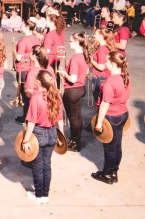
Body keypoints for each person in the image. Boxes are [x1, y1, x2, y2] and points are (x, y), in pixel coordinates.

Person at [21, 70, 64, 204]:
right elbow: (60, 118)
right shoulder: (56, 96)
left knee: (37, 166)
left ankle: (38, 195)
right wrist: (61, 136)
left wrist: (25, 140)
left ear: (38, 82)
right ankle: (45, 195)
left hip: (38, 134)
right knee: (47, 164)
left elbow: (31, 122)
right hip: (52, 133)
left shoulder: (36, 98)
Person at [91, 52, 131, 185]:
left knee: (109, 147)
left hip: (111, 116)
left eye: (107, 61)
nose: (105, 63)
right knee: (117, 145)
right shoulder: (125, 77)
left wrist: (99, 123)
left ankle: (107, 174)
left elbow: (105, 103)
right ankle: (114, 171)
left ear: (113, 64)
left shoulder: (109, 83)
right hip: (123, 114)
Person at [58, 32, 89, 151]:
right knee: (78, 116)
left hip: (72, 91)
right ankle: (77, 139)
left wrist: (64, 73)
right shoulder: (84, 55)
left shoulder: (75, 59)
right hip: (81, 88)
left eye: (71, 41)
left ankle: (75, 142)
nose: (69, 43)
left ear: (76, 43)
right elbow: (86, 72)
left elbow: (73, 79)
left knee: (73, 118)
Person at [14, 21, 40, 123]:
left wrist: (14, 51)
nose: (21, 27)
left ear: (27, 27)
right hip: (33, 67)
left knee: (25, 94)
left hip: (23, 69)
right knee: (33, 91)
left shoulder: (23, 41)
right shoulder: (36, 38)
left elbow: (19, 57)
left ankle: (26, 117)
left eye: (23, 25)